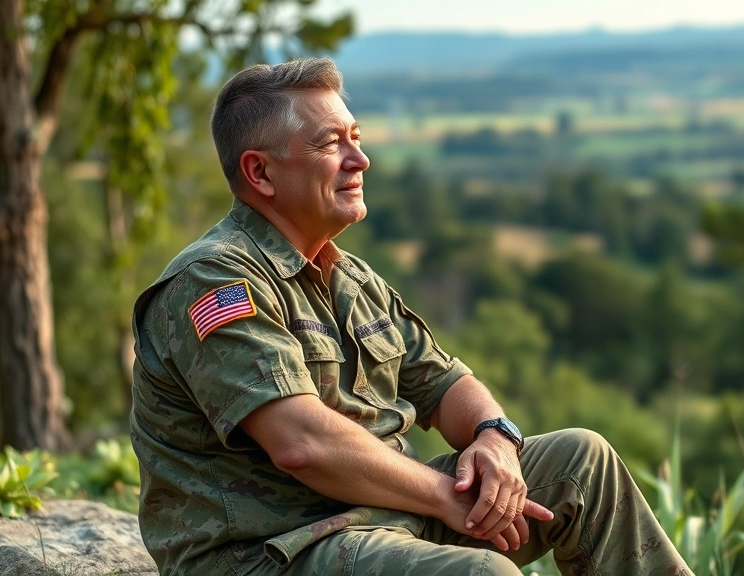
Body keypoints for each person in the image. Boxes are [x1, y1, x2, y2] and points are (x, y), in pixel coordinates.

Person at [130, 57, 692, 576]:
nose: (360, 160)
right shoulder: (216, 281)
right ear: (260, 173)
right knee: (484, 574)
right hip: (272, 551)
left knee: (582, 463)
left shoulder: (348, 278)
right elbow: (302, 442)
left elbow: (446, 384)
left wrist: (495, 439)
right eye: (331, 144)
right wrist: (446, 497)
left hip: (390, 519)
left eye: (356, 137)